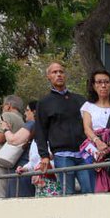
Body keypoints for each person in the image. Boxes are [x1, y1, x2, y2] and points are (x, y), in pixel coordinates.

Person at [35, 62, 89, 195]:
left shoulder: (80, 99)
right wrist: (44, 156)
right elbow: (40, 131)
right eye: (54, 72)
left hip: (84, 154)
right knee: (67, 195)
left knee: (91, 192)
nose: (58, 74)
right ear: (48, 76)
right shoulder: (44, 103)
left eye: (61, 71)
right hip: (62, 156)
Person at [81, 69, 110, 192]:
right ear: (93, 85)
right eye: (99, 82)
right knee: (93, 184)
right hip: (94, 150)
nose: (103, 85)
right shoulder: (88, 106)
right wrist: (98, 142)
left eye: (106, 82)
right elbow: (87, 128)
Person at [6, 102, 39, 198]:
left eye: (27, 110)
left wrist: (5, 129)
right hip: (27, 168)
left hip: (26, 169)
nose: (25, 113)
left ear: (34, 112)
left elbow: (13, 140)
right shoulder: (39, 127)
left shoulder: (32, 124)